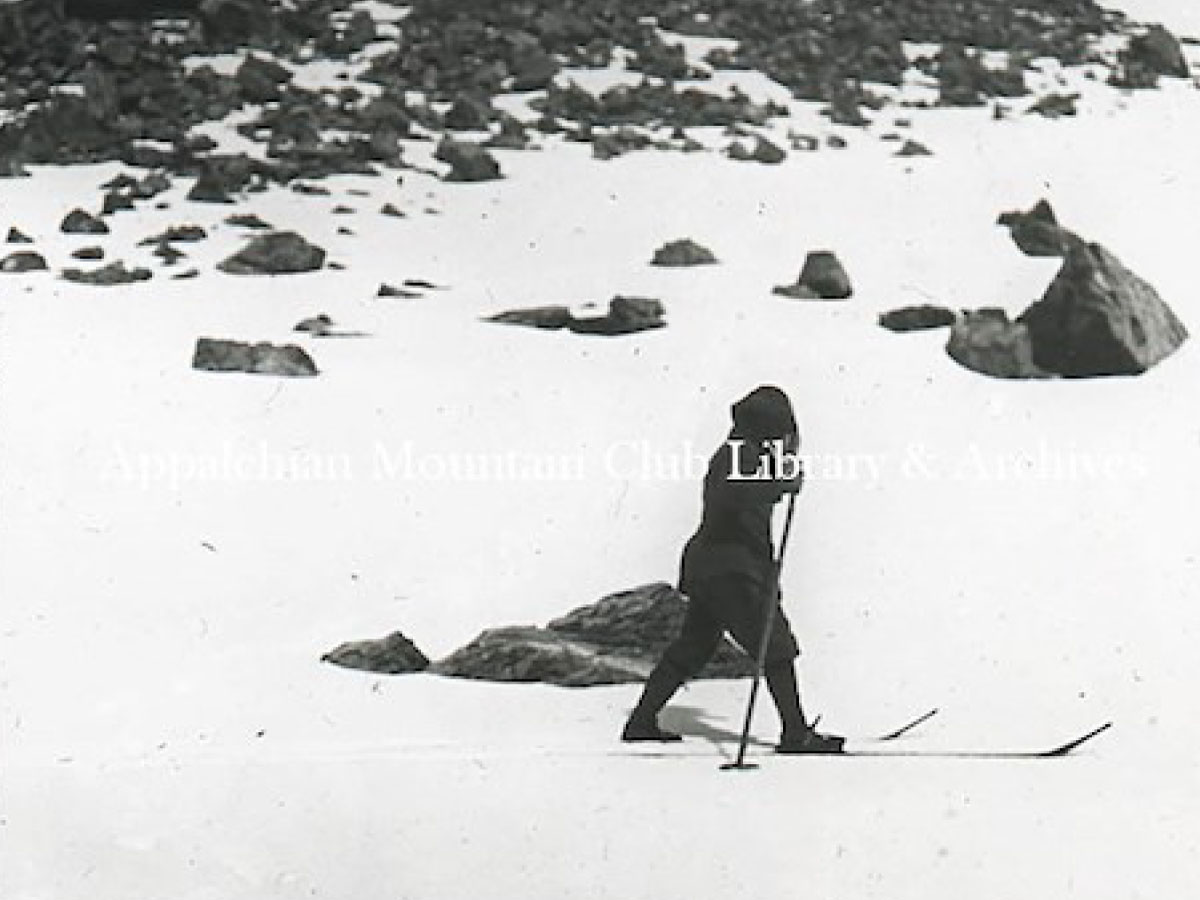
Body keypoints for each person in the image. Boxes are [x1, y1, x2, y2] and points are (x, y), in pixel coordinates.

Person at [621, 385, 844, 754]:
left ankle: (641, 720)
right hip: (731, 570)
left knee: (694, 646)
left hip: (717, 567)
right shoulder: (736, 456)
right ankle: (795, 733)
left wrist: (782, 477)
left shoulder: (745, 453)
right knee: (775, 645)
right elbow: (737, 494)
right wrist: (780, 484)